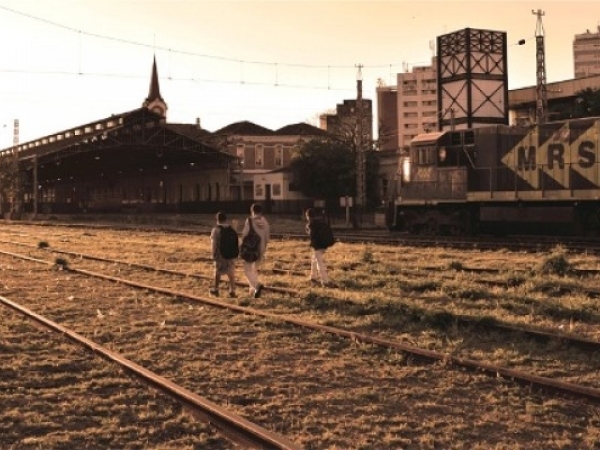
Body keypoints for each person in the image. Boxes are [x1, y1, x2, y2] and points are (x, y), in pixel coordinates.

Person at [241, 203, 270, 298]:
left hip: (251, 249)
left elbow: (245, 235)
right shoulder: (265, 222)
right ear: (261, 211)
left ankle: (257, 285)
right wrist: (263, 247)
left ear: (252, 211)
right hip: (261, 249)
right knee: (254, 270)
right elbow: (267, 238)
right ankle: (252, 290)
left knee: (247, 269)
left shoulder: (249, 221)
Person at [209, 211, 237, 298]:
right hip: (231, 254)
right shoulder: (231, 228)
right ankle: (232, 290)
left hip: (220, 254)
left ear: (217, 220)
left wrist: (213, 254)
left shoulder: (215, 230)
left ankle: (216, 289)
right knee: (231, 271)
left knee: (218, 271)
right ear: (226, 219)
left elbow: (214, 243)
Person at [305, 207, 333, 287]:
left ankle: (325, 281)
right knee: (313, 259)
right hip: (324, 245)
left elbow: (313, 238)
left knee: (319, 263)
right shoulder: (320, 222)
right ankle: (313, 276)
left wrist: (312, 245)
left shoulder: (311, 224)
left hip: (318, 246)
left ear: (308, 216)